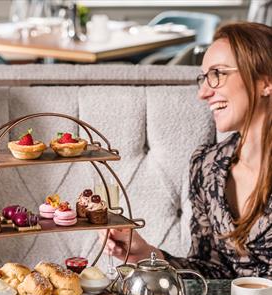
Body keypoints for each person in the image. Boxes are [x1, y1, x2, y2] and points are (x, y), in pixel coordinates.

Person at [106, 22, 272, 279]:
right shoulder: (207, 167)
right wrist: (146, 254)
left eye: (217, 74)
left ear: (265, 82)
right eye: (203, 78)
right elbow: (213, 271)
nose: (204, 93)